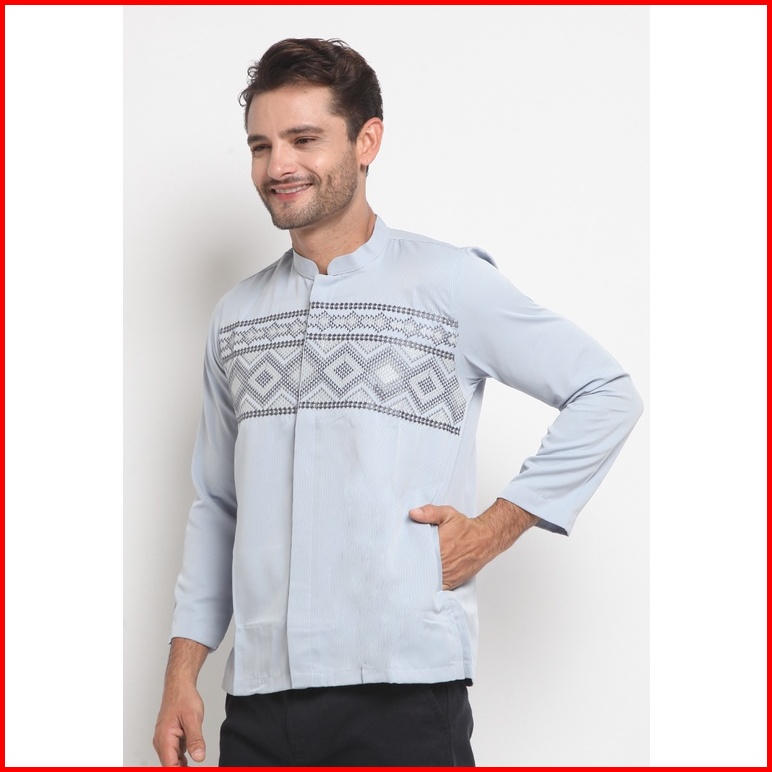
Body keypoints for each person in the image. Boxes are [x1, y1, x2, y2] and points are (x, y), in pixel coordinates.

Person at [153, 37, 643, 767]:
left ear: (367, 141)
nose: (278, 165)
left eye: (303, 139)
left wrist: (495, 528)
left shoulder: (448, 284)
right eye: (261, 145)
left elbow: (605, 392)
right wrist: (182, 672)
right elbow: (218, 505)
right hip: (257, 700)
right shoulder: (236, 316)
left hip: (404, 694)